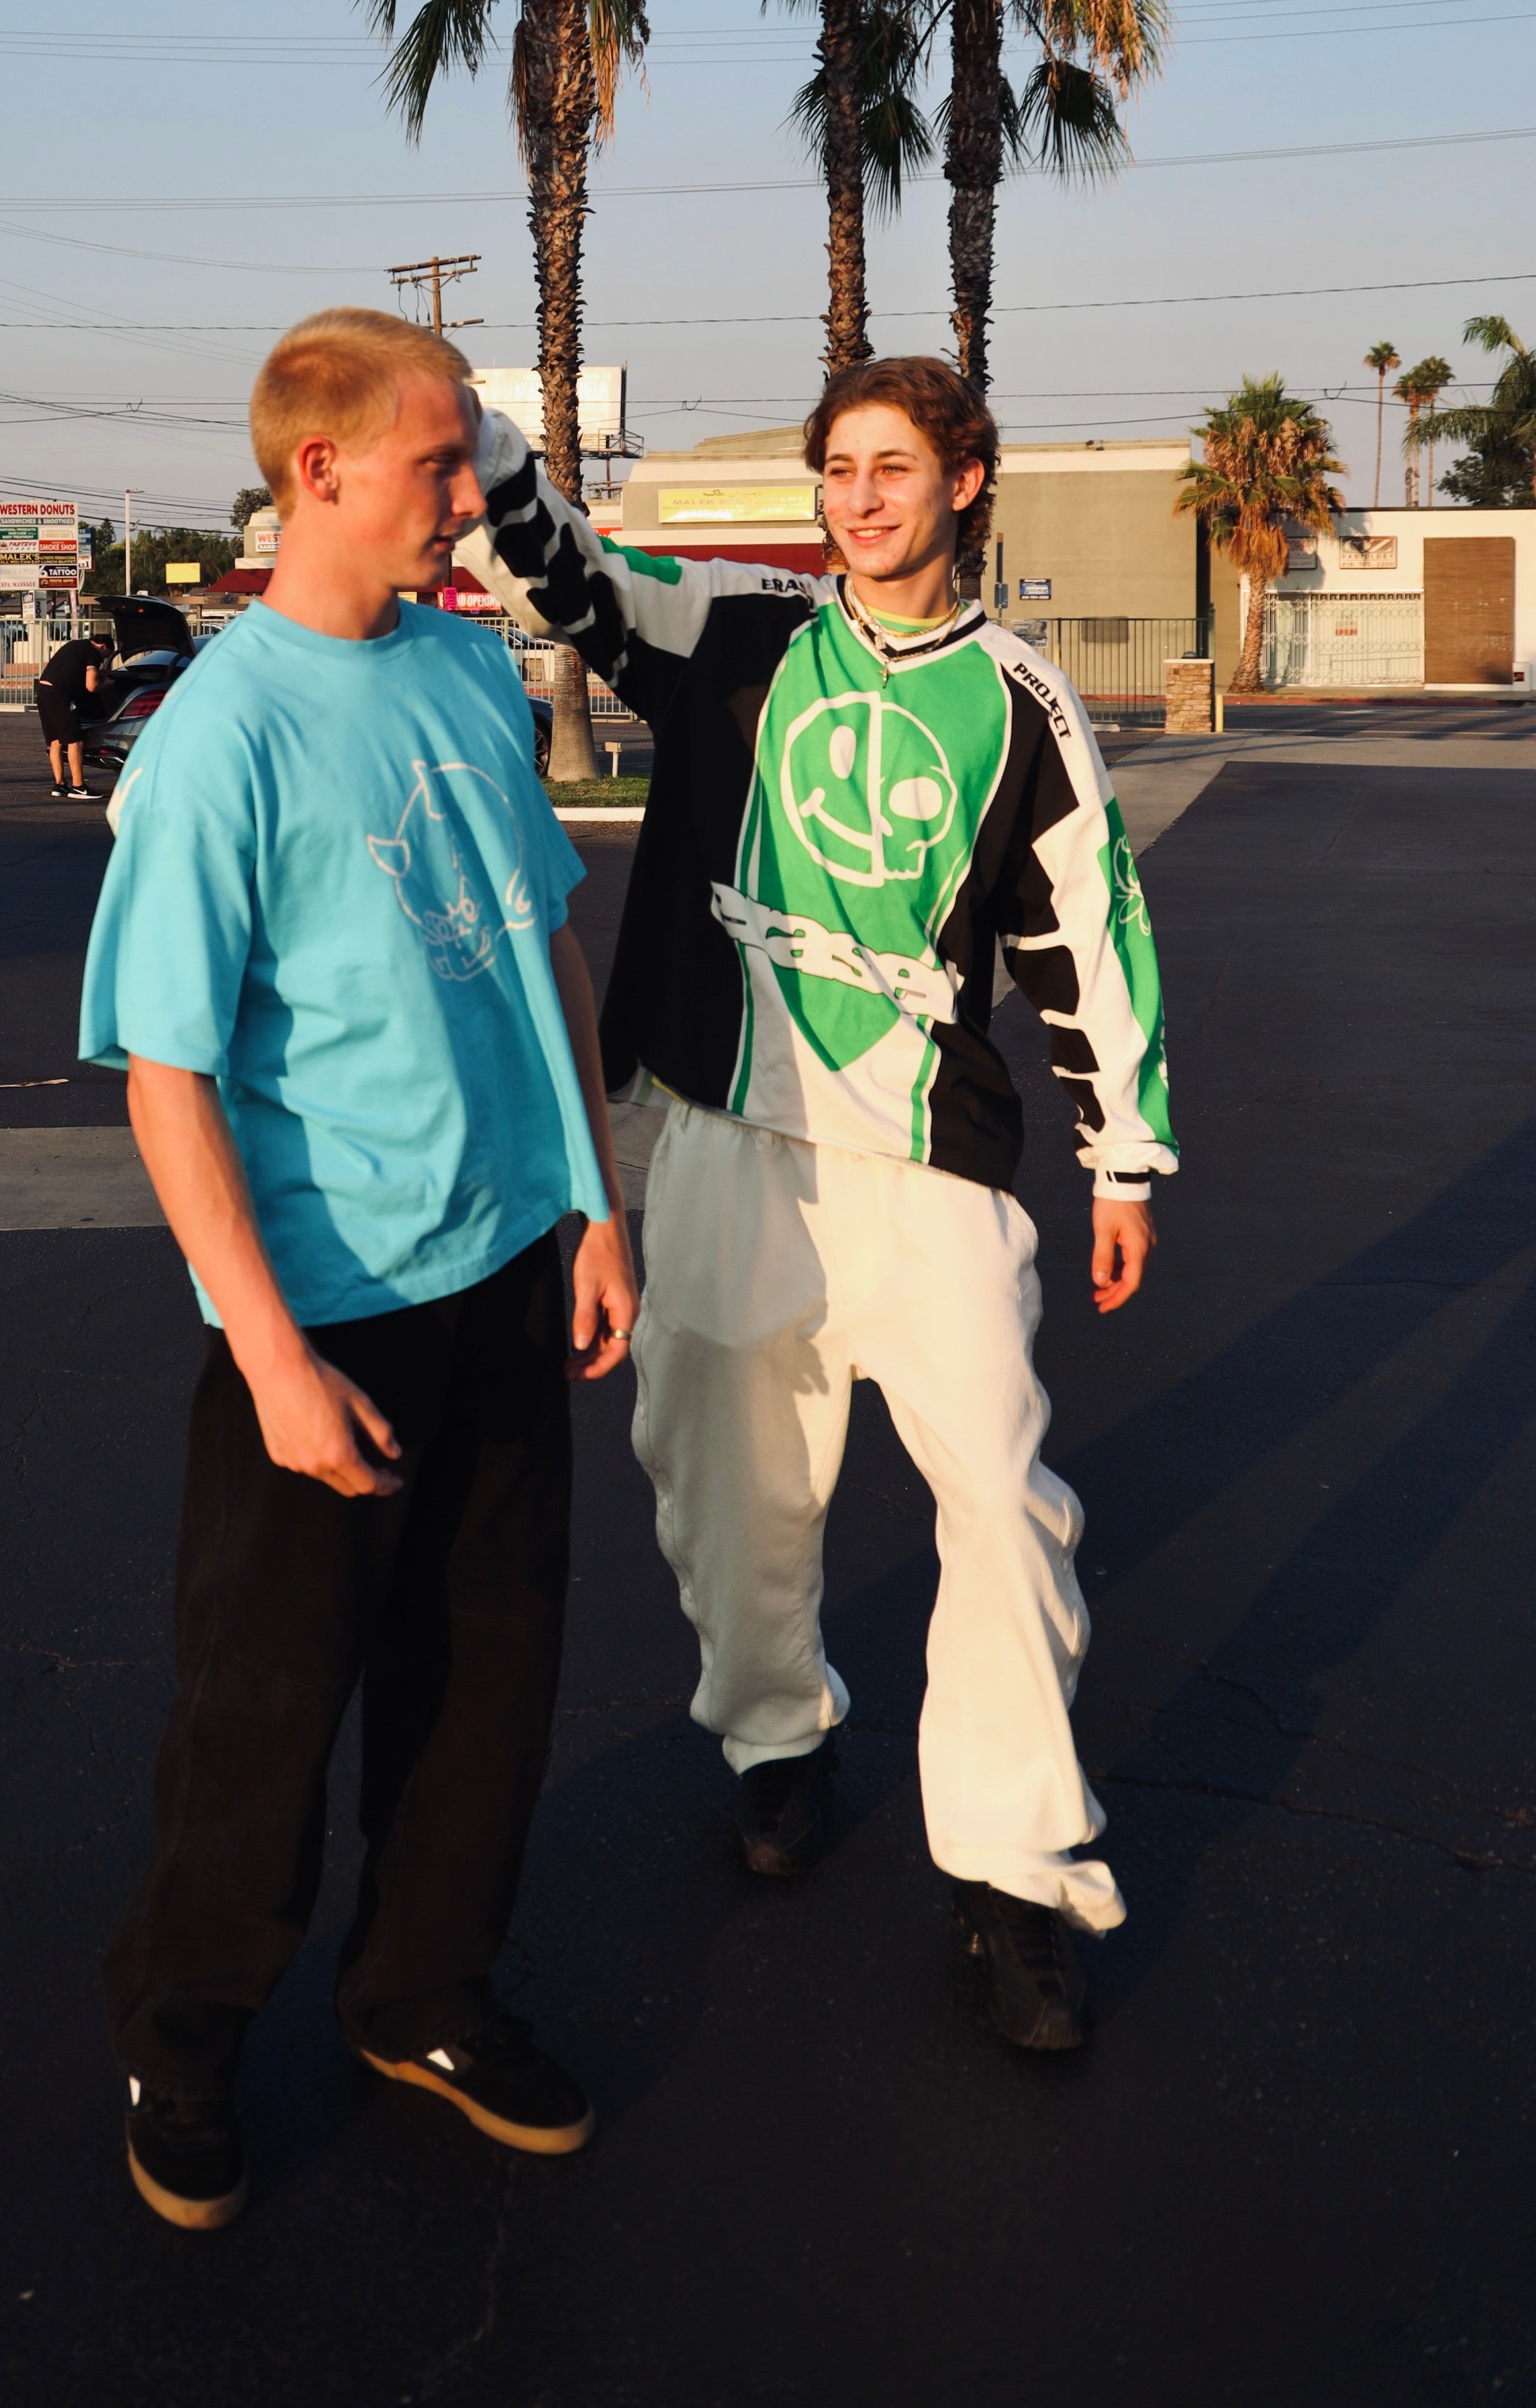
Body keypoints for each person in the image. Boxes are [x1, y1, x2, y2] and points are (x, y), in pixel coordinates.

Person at [459, 355, 1175, 2054]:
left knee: (1000, 1502)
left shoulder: (1024, 702)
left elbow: (1091, 932)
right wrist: (478, 442)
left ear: (966, 481)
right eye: (840, 470)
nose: (861, 500)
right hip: (718, 1138)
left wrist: (1120, 1153)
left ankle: (1013, 1874)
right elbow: (571, 569)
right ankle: (779, 1734)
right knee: (725, 1477)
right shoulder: (738, 639)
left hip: (928, 1166)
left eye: (895, 468)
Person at [80, 307, 637, 2230]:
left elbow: (541, 935)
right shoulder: (216, 740)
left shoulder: (471, 677)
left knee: (486, 1674)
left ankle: (419, 1993)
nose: (471, 502)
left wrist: (594, 1202)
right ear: (317, 471)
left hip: (503, 1268)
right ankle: (188, 2028)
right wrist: (269, 1357)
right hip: (318, 1313)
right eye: (436, 467)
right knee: (267, 1697)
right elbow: (165, 1080)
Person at [36, 624, 104, 797]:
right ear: (104, 647)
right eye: (107, 655)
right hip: (60, 693)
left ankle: (60, 785)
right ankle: (79, 787)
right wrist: (107, 684)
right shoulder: (93, 653)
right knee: (75, 741)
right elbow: (91, 685)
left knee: (56, 740)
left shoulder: (74, 645)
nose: (104, 660)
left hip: (43, 690)